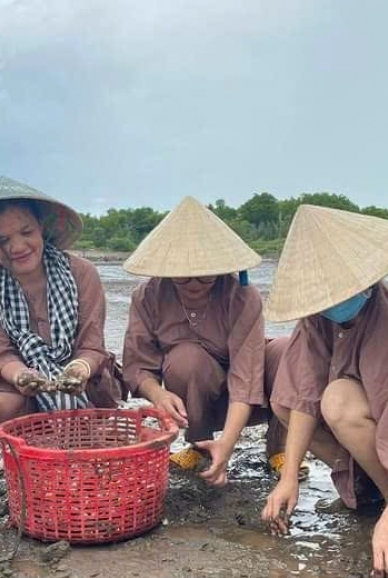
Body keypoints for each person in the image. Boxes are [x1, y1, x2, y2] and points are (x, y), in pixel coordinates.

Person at [261, 205, 388, 578]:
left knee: (338, 401)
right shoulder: (318, 313)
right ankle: (366, 493)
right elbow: (303, 394)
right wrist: (289, 477)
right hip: (374, 435)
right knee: (288, 405)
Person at [121, 196, 293, 484]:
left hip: (248, 394)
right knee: (186, 359)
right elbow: (137, 366)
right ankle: (199, 446)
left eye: (205, 278)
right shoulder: (147, 296)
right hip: (197, 396)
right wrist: (158, 394)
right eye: (183, 278)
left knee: (288, 350)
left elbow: (246, 376)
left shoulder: (242, 295)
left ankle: (278, 447)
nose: (193, 285)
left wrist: (228, 443)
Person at [0, 177, 125, 428]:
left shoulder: (83, 273)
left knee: (96, 409)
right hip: (19, 387)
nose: (17, 246)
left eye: (26, 232)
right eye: (3, 240)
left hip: (87, 382)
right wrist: (22, 376)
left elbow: (92, 345)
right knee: (1, 405)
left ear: (41, 227)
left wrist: (79, 369)